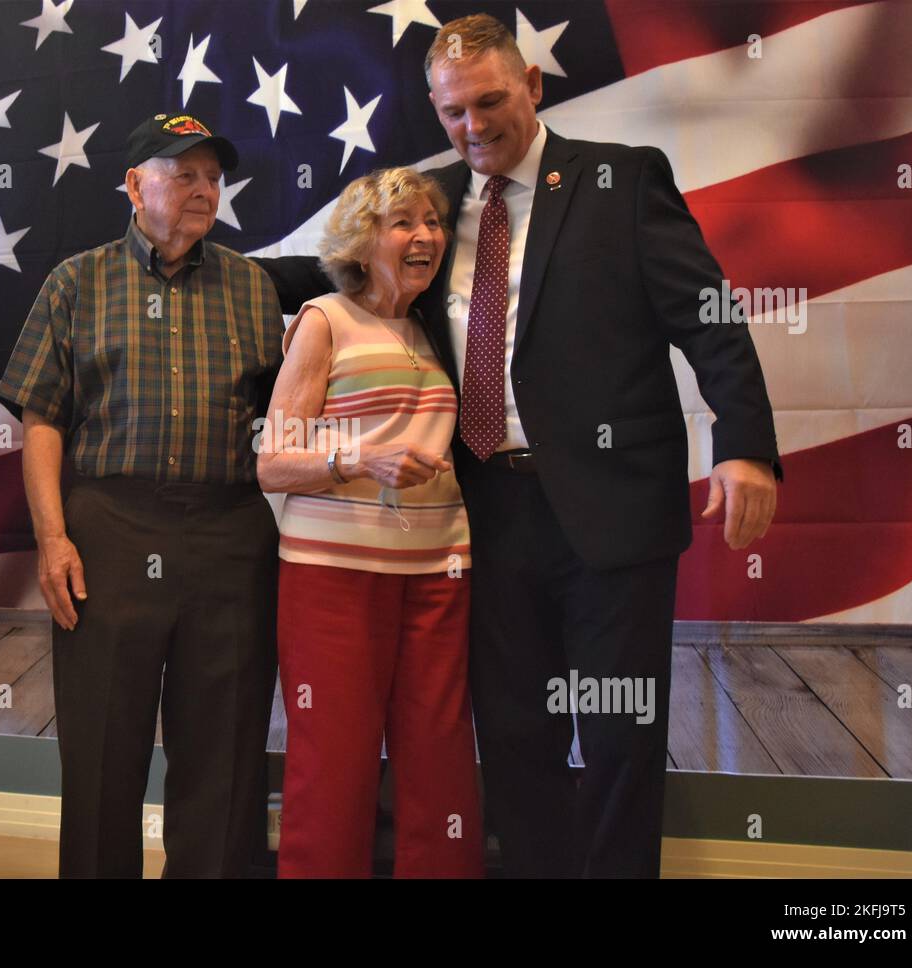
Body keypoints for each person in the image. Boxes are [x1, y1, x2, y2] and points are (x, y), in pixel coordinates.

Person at [257, 14, 781, 877]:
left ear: (532, 86)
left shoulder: (623, 180)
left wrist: (746, 445)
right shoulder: (428, 210)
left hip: (613, 516)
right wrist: (205, 261)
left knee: (618, 737)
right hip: (483, 519)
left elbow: (710, 318)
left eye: (490, 101)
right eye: (453, 112)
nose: (473, 126)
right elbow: (331, 268)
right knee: (512, 736)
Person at [0, 112, 284, 878]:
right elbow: (42, 419)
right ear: (134, 185)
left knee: (224, 751)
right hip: (110, 531)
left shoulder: (253, 286)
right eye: (181, 173)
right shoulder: (77, 280)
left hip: (229, 535)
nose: (202, 189)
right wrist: (53, 539)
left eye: (212, 177)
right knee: (101, 748)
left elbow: (281, 421)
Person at [258, 167, 482, 878]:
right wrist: (362, 458)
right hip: (333, 578)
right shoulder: (325, 320)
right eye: (404, 223)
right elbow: (273, 461)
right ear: (363, 241)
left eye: (433, 222)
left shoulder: (437, 328)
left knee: (441, 762)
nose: (426, 236)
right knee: (336, 764)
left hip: (441, 574)